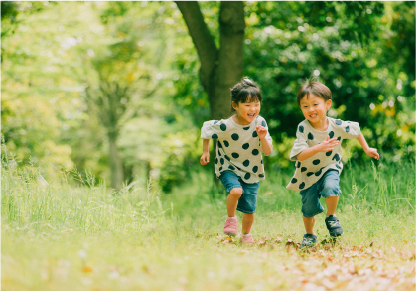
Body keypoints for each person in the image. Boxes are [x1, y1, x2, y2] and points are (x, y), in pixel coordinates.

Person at [287, 79, 379, 248]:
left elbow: (356, 130)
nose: (311, 109)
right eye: (305, 106)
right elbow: (300, 155)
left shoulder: (336, 125)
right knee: (308, 208)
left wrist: (366, 148)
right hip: (307, 173)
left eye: (315, 104)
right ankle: (309, 234)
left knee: (331, 188)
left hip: (330, 166)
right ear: (301, 108)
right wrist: (319, 147)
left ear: (327, 104)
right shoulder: (303, 127)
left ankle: (331, 217)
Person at [200, 77, 273, 244]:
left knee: (250, 210)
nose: (253, 109)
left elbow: (268, 151)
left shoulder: (260, 122)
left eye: (256, 104)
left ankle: (246, 235)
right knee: (236, 191)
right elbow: (207, 127)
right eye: (247, 105)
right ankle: (231, 218)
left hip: (252, 169)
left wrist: (262, 138)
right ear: (235, 105)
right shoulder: (227, 125)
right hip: (228, 165)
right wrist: (205, 151)